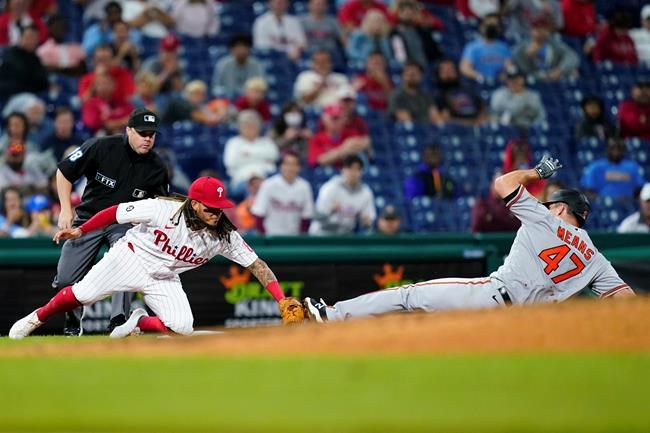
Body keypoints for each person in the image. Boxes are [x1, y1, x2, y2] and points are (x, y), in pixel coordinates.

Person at [304, 156, 635, 323]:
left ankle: (331, 315)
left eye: (551, 203)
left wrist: (536, 173)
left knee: (408, 296)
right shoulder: (595, 257)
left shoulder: (545, 219)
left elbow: (503, 183)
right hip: (524, 325)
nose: (545, 205)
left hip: (492, 297)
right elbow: (626, 302)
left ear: (561, 207)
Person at [8, 176, 289, 339]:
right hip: (130, 258)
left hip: (164, 277)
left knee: (182, 328)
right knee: (82, 295)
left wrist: (281, 299)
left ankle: (137, 322)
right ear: (193, 204)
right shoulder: (162, 209)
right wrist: (81, 229)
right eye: (211, 208)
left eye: (220, 208)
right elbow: (115, 213)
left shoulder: (223, 234)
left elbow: (256, 264)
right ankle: (37, 317)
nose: (217, 213)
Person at [51, 107, 169, 336]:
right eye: (142, 133)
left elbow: (161, 207)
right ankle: (72, 320)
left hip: (125, 225)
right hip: (88, 219)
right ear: (128, 131)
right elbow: (64, 171)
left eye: (151, 135)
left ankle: (119, 320)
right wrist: (66, 209)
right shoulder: (101, 146)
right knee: (66, 277)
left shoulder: (157, 168)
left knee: (126, 257)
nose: (147, 139)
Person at [309, 154, 376, 235]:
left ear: (361, 172)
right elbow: (316, 217)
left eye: (357, 169)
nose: (353, 173)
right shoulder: (331, 187)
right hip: (322, 234)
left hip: (345, 236)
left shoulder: (366, 192)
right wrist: (330, 210)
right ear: (343, 170)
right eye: (350, 168)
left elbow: (368, 223)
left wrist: (366, 222)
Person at [251, 150, 314, 235]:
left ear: (299, 167)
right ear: (281, 166)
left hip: (294, 237)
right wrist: (264, 238)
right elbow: (259, 214)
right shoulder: (268, 185)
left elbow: (306, 216)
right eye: (287, 164)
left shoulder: (304, 187)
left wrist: (301, 238)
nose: (290, 168)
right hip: (271, 236)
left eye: (294, 164)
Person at [223, 110, 280, 196]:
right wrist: (262, 156)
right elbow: (230, 162)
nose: (249, 128)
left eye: (253, 125)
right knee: (253, 187)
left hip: (266, 178)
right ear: (240, 128)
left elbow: (275, 156)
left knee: (271, 186)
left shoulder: (266, 142)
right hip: (242, 180)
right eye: (246, 125)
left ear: (259, 127)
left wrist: (247, 155)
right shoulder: (233, 142)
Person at [511, 15, 579, 81]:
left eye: (543, 28)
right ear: (531, 30)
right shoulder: (522, 48)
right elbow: (522, 69)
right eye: (536, 28)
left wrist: (560, 70)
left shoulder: (554, 44)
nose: (540, 31)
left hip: (555, 80)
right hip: (533, 83)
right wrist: (527, 57)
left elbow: (572, 57)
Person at [580, 136, 646, 200]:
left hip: (628, 206)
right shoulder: (595, 167)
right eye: (612, 147)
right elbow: (587, 190)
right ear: (606, 149)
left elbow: (641, 189)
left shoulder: (632, 166)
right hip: (602, 207)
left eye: (619, 148)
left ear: (623, 150)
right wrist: (601, 201)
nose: (616, 150)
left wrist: (631, 200)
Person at [431, 59, 486, 127]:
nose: (448, 73)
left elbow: (482, 110)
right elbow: (439, 118)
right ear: (438, 74)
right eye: (444, 71)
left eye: (451, 69)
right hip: (455, 130)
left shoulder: (469, 90)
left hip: (476, 127)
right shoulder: (436, 95)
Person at [0, 25, 49, 100]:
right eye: (29, 37)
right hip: (8, 97)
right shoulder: (12, 53)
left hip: (27, 95)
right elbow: (22, 75)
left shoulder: (35, 58)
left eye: (35, 38)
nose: (32, 41)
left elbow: (43, 81)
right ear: (21, 38)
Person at [460, 13, 511, 83]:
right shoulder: (472, 47)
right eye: (488, 25)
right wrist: (479, 76)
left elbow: (509, 66)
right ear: (482, 27)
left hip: (500, 82)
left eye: (494, 26)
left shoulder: (503, 46)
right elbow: (465, 68)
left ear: (498, 28)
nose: (490, 28)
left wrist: (505, 74)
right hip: (480, 83)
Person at [490, 66, 546, 130]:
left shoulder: (533, 96)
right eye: (510, 79)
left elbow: (541, 117)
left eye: (516, 78)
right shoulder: (498, 95)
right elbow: (493, 115)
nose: (513, 81)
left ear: (523, 79)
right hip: (505, 130)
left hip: (527, 131)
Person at [211, 33, 265, 99]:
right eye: (238, 47)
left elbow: (262, 86)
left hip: (251, 102)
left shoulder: (256, 65)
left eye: (244, 47)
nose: (241, 51)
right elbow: (216, 87)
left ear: (249, 49)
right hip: (227, 101)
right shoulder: (223, 64)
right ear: (231, 50)